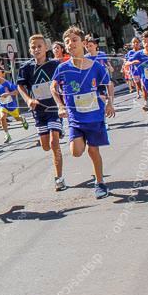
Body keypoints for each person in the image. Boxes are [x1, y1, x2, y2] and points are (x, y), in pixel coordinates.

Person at [52, 27, 116, 199]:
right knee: (76, 151)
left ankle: (100, 182)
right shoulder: (63, 68)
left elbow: (109, 84)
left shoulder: (95, 67)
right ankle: (80, 140)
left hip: (94, 116)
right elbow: (53, 87)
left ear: (82, 43)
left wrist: (110, 103)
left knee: (93, 151)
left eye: (74, 40)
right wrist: (60, 105)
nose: (71, 44)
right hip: (75, 118)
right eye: (67, 41)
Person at [16, 34, 65, 192]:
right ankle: (56, 131)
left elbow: (63, 82)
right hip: (38, 111)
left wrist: (64, 103)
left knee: (53, 142)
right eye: (33, 47)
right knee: (45, 146)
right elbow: (20, 86)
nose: (36, 49)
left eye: (39, 46)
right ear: (30, 50)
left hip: (54, 108)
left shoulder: (55, 65)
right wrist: (28, 99)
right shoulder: (26, 68)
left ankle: (59, 178)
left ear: (46, 48)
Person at [0, 67, 28, 143]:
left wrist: (7, 94)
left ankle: (23, 120)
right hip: (3, 105)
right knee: (2, 118)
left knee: (17, 118)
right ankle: (7, 135)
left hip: (11, 105)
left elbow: (16, 92)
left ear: (3, 74)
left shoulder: (7, 83)